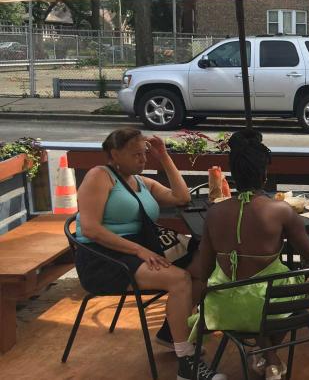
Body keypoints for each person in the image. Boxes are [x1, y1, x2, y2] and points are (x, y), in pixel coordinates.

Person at [74, 128, 224, 380]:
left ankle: (170, 332)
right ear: (114, 154)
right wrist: (139, 251)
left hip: (141, 247)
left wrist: (164, 157)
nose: (143, 160)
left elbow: (181, 197)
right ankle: (186, 363)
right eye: (136, 155)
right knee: (179, 279)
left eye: (144, 154)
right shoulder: (100, 176)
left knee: (203, 266)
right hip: (103, 257)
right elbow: (90, 228)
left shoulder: (140, 181)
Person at [192, 130, 309, 380]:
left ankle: (266, 355)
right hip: (274, 309)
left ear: (232, 176)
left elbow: (201, 271)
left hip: (224, 310)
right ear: (265, 174)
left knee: (248, 296)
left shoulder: (214, 214)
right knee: (289, 290)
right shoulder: (281, 211)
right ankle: (269, 354)